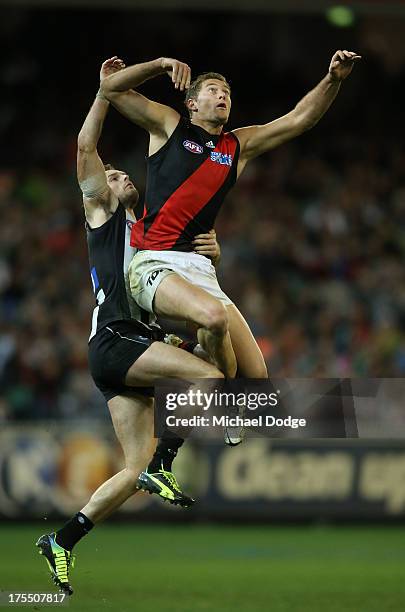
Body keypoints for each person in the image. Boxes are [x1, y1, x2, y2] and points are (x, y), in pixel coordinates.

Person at [36, 57, 224, 597]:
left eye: (123, 174)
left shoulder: (151, 235)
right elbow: (85, 149)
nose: (118, 176)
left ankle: (63, 540)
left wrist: (211, 247)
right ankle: (168, 461)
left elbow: (186, 275)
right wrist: (104, 91)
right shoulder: (103, 213)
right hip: (117, 339)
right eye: (113, 175)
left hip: (122, 349)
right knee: (211, 378)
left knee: (131, 472)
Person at [100, 50, 361, 387]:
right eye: (212, 90)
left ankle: (203, 369)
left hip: (201, 270)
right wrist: (159, 65)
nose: (222, 96)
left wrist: (332, 80)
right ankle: (196, 375)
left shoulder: (238, 145)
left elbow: (300, 119)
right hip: (155, 263)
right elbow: (112, 90)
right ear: (192, 104)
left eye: (226, 93)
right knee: (213, 320)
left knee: (255, 377)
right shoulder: (169, 126)